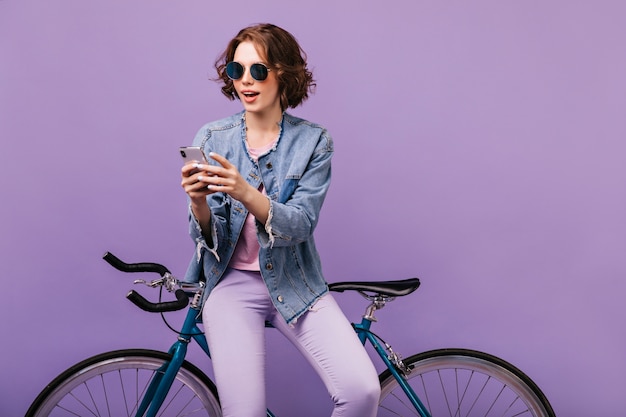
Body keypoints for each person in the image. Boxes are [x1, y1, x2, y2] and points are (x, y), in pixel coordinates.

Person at [180, 23, 380, 417]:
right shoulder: (213, 137)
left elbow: (302, 223)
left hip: (297, 281)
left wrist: (245, 192)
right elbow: (209, 239)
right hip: (229, 285)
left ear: (284, 74)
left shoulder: (314, 141)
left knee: (361, 392)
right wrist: (198, 203)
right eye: (237, 71)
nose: (246, 82)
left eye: (259, 71)